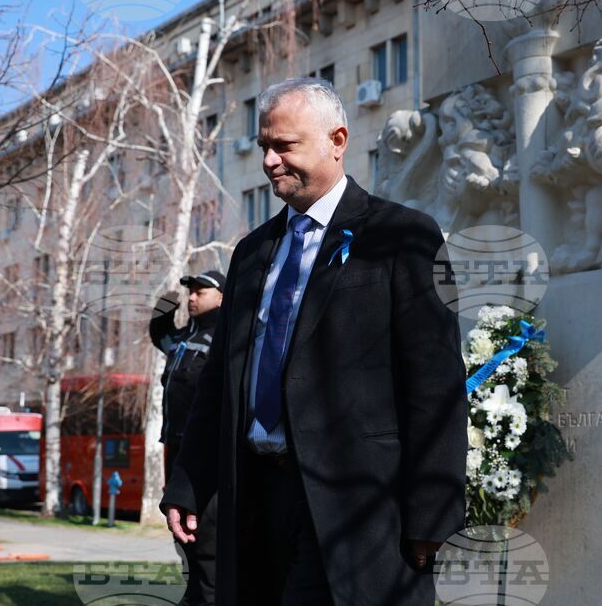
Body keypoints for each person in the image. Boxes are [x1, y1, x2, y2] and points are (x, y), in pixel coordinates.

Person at [160, 77, 468, 605]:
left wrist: (432, 515)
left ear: (337, 140)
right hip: (254, 502)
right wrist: (189, 481)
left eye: (285, 146)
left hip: (357, 510)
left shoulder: (405, 236)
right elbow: (221, 381)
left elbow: (435, 383)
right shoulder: (253, 252)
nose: (270, 161)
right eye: (264, 147)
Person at [150, 269, 224, 606]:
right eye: (190, 292)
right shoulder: (180, 342)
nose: (192, 298)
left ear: (222, 296)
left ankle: (209, 597)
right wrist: (167, 302)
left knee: (206, 534)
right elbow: (159, 333)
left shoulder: (226, 335)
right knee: (181, 532)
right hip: (175, 447)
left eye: (201, 292)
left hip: (208, 451)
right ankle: (192, 595)